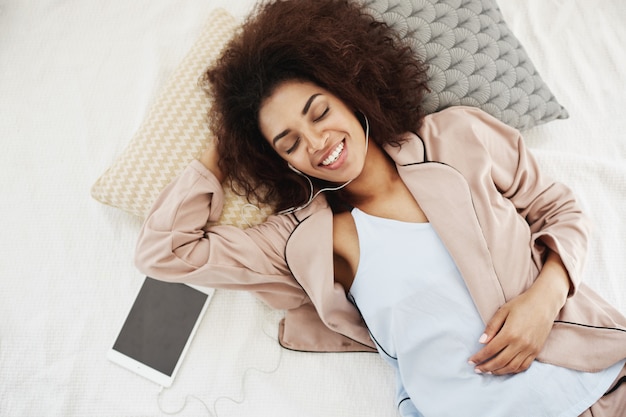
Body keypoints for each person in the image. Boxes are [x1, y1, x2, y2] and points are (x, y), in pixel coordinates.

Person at [135, 0, 626, 415]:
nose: (317, 142)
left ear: (348, 91)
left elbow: (561, 210)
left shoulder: (458, 136)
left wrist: (543, 301)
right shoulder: (304, 239)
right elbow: (165, 249)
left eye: (320, 111)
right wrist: (227, 138)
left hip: (596, 378)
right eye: (288, 143)